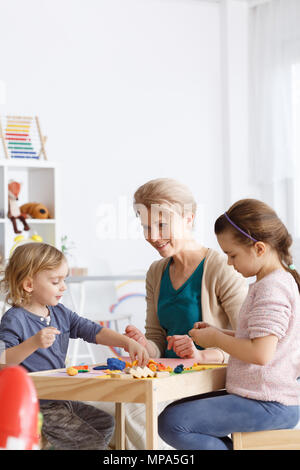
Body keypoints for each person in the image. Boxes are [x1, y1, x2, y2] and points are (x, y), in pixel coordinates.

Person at [158, 198, 300, 450]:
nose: (229, 263)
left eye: (232, 255)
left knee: (173, 421)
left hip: (269, 402)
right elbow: (262, 338)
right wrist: (220, 332)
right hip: (267, 398)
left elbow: (261, 353)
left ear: (259, 248)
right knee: (174, 414)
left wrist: (215, 340)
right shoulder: (277, 281)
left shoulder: (272, 288)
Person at [0, 242, 149, 450]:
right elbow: (3, 360)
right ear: (29, 285)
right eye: (56, 281)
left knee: (105, 423)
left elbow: (91, 330)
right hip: (38, 404)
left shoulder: (60, 313)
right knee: (92, 443)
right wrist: (33, 343)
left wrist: (126, 342)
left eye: (64, 280)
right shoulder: (14, 319)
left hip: (61, 398)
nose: (63, 287)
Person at [125, 178, 248, 363]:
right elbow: (157, 342)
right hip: (171, 381)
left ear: (188, 219)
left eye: (162, 225)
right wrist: (144, 345)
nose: (153, 237)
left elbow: (248, 345)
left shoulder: (223, 268)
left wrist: (201, 356)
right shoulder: (155, 272)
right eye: (146, 227)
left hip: (210, 385)